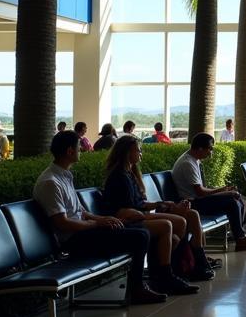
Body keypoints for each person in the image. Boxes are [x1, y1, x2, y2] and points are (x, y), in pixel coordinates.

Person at [33, 130, 165, 305]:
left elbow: (79, 211)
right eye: (79, 147)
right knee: (141, 236)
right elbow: (62, 223)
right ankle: (137, 289)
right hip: (75, 240)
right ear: (70, 151)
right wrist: (95, 224)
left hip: (84, 232)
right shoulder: (50, 182)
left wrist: (102, 220)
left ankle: (147, 282)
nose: (82, 150)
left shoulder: (63, 176)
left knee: (137, 228)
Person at [101, 136, 205, 292]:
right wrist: (159, 207)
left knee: (178, 228)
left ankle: (167, 270)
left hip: (137, 214)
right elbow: (126, 209)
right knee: (169, 225)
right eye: (138, 150)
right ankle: (166, 274)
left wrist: (161, 204)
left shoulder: (129, 174)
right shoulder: (119, 177)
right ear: (127, 152)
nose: (141, 153)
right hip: (127, 219)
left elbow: (139, 204)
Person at [171, 133, 246, 250]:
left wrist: (224, 191)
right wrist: (223, 191)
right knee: (232, 202)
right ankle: (240, 238)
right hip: (192, 203)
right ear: (200, 148)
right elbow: (200, 192)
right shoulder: (188, 163)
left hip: (198, 200)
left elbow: (201, 189)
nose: (211, 152)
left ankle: (239, 236)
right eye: (210, 149)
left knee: (239, 198)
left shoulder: (193, 160)